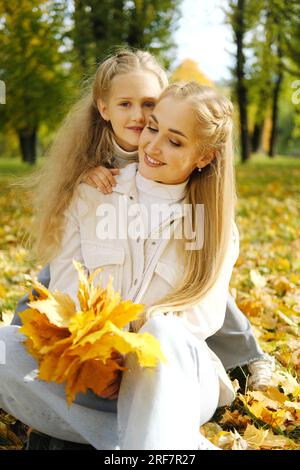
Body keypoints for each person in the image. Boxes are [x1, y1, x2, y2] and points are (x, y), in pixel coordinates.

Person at [1, 50, 274, 450]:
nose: (152, 142)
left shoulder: (214, 223)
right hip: (99, 372)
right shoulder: (94, 187)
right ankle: (145, 444)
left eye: (173, 138)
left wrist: (129, 354)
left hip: (170, 377)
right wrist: (96, 355)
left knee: (164, 331)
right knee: (9, 343)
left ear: (205, 157)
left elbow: (203, 316)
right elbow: (62, 289)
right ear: (104, 109)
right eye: (153, 127)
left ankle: (109, 434)